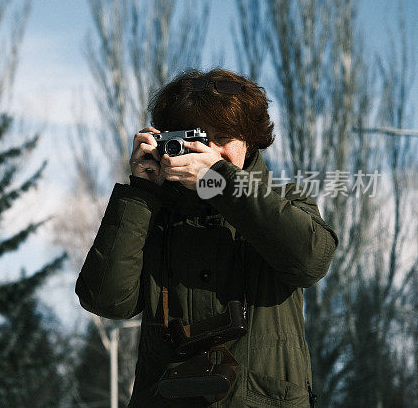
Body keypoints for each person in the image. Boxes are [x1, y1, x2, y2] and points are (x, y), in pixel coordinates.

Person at [75, 68, 338, 407]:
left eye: (223, 138)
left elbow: (311, 260)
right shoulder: (153, 215)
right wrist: (140, 193)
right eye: (197, 138)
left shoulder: (284, 202)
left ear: (251, 139)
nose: (208, 151)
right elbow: (106, 300)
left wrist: (219, 180)